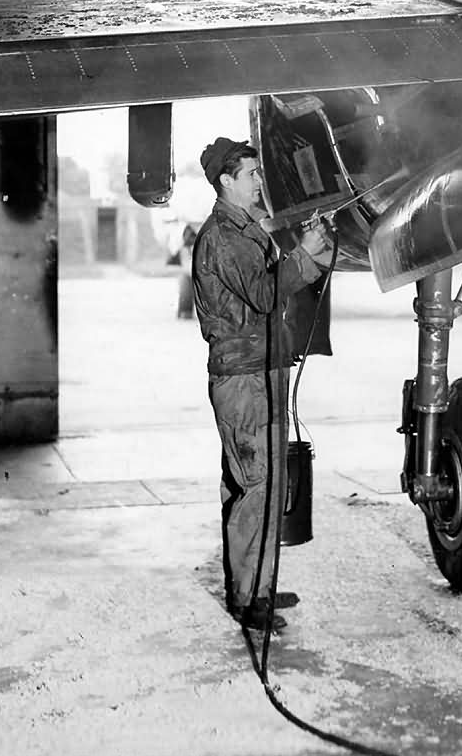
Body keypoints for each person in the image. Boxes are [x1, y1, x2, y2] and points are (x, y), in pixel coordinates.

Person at [192, 136, 326, 631]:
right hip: (244, 378)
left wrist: (311, 252)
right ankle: (249, 601)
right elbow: (267, 292)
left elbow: (270, 285)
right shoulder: (222, 236)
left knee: (260, 484)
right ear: (226, 181)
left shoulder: (246, 230)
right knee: (255, 485)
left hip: (261, 369)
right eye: (250, 175)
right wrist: (304, 254)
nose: (258, 182)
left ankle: (258, 588)